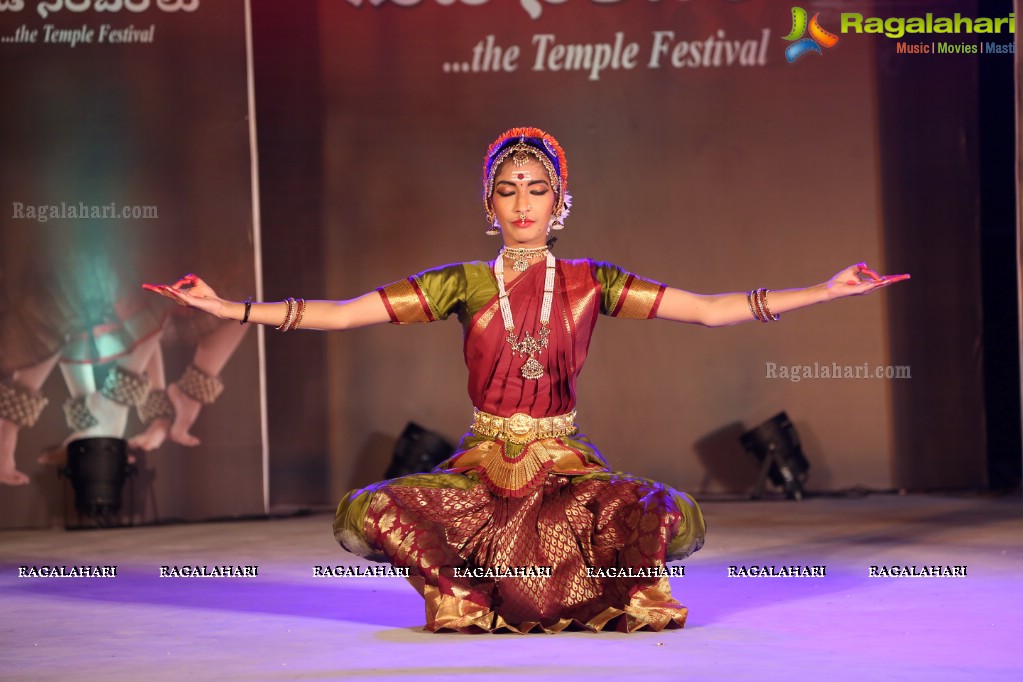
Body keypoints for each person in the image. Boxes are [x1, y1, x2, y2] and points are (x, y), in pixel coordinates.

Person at [144, 126, 909, 633]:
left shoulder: (590, 280)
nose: (520, 203)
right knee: (372, 511)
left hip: (562, 472)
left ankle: (572, 589)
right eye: (505, 189)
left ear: (559, 201)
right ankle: (463, 594)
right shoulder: (462, 284)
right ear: (488, 205)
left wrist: (822, 290)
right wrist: (230, 308)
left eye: (534, 188)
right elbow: (343, 315)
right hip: (480, 473)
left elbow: (708, 311)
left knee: (657, 512)